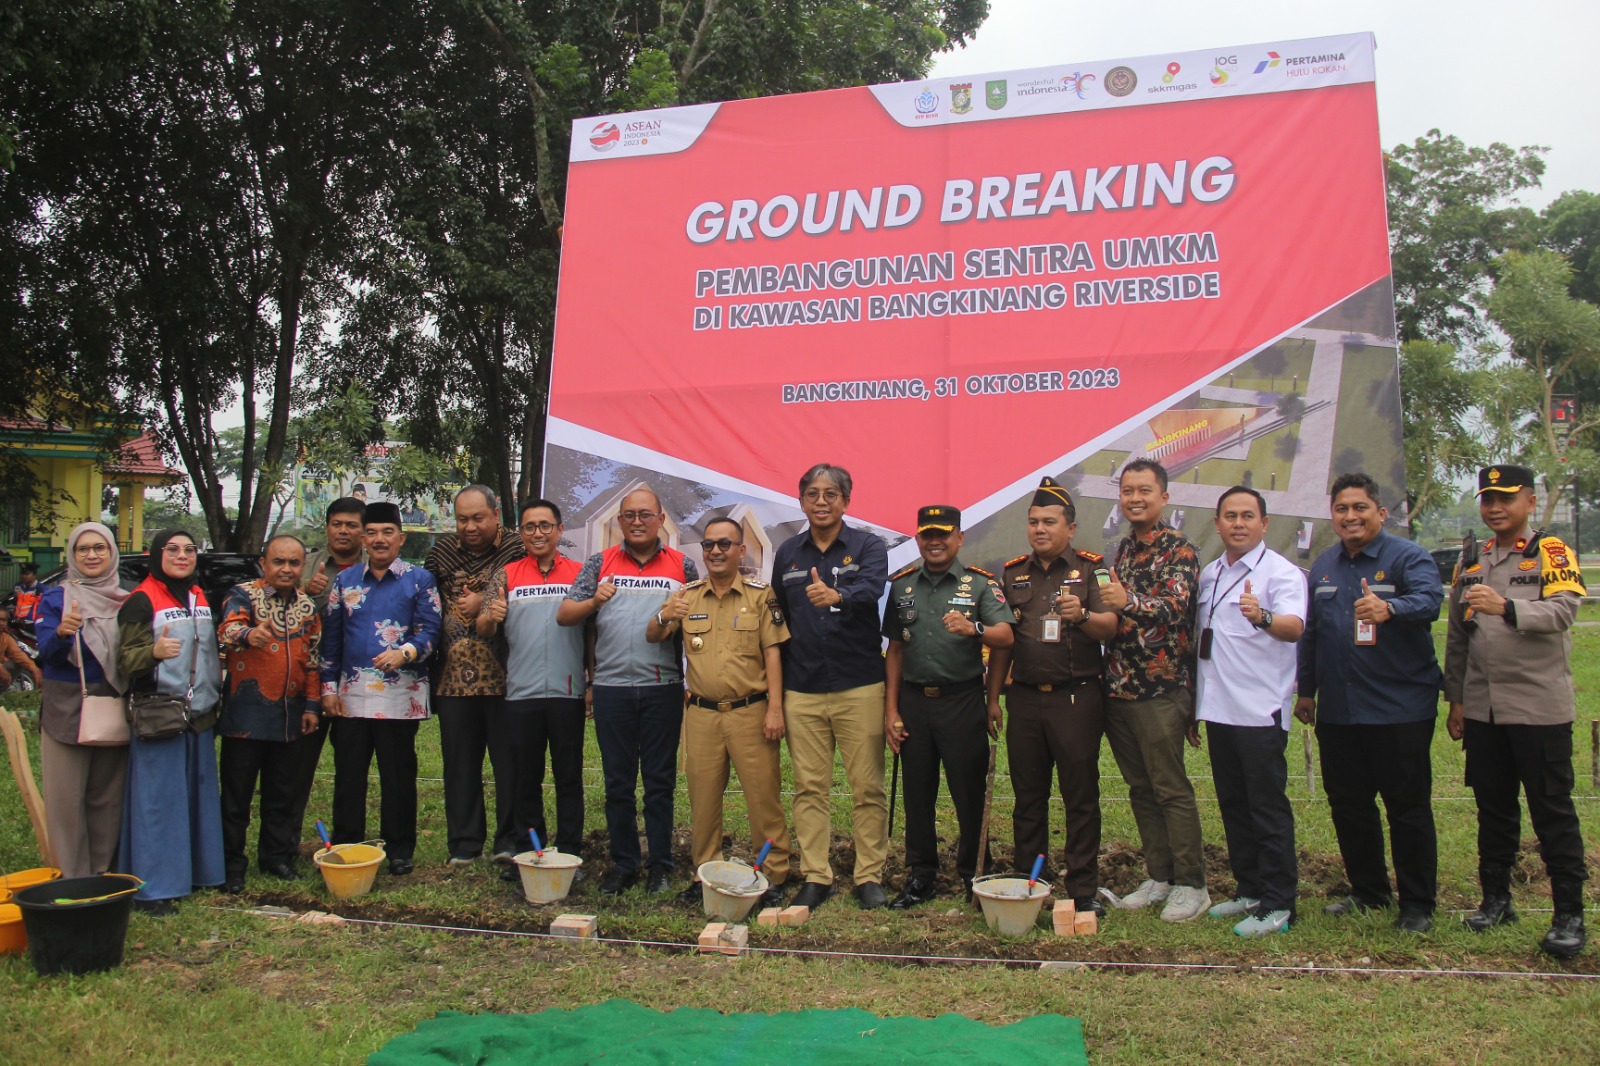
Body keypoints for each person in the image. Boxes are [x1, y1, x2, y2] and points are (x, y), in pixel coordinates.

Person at [1444, 464, 1588, 957]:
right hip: (1484, 710)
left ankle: (1569, 914)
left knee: (1552, 812)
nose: (1494, 508)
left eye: (1505, 498)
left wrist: (1506, 606)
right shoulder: (1473, 557)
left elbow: (1564, 611)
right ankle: (1496, 900)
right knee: (1494, 809)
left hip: (1537, 708)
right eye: (1487, 499)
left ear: (1529, 500)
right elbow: (1459, 636)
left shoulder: (1551, 552)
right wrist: (1457, 699)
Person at [1295, 473, 1443, 933]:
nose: (1350, 516)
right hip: (1340, 710)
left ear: (1380, 512)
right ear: (1332, 515)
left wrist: (1390, 609)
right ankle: (1368, 890)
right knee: (1349, 804)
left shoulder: (1407, 556)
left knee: (1407, 807)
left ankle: (1417, 903)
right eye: (1341, 509)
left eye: (1360, 507)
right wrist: (1306, 690)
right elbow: (1313, 634)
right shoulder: (1323, 566)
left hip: (1399, 708)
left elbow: (1432, 600)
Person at [987, 477, 1118, 916]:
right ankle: (1032, 881)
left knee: (1080, 795)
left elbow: (1110, 628)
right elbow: (1004, 642)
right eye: (1033, 522)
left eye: (1049, 521)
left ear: (1071, 528)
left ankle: (1083, 887)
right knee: (1028, 797)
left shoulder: (1091, 569)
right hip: (1024, 700)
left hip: (1076, 698)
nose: (1039, 529)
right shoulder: (1013, 572)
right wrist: (994, 699)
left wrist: (1082, 615)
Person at [559, 487, 697, 896]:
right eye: (629, 515)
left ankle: (660, 865)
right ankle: (623, 863)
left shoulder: (682, 565)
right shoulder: (599, 564)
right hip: (611, 689)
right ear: (619, 521)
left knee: (659, 783)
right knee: (618, 783)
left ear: (660, 520)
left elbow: (700, 618)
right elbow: (566, 614)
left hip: (663, 689)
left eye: (645, 514)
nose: (637, 521)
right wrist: (593, 602)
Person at [652, 517, 792, 909]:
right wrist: (667, 614)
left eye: (725, 544)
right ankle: (706, 874)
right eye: (709, 544)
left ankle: (775, 873)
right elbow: (654, 633)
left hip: (751, 711)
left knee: (763, 798)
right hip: (701, 715)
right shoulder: (687, 596)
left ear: (740, 550)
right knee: (704, 799)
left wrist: (775, 709)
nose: (715, 551)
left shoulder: (761, 596)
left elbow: (773, 652)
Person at [770, 463, 891, 910]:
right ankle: (816, 875)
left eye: (831, 494)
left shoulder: (868, 545)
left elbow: (874, 587)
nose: (821, 502)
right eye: (813, 494)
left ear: (846, 501)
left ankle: (869, 876)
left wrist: (838, 595)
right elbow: (778, 616)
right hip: (801, 688)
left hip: (858, 685)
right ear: (801, 501)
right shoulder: (787, 553)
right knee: (809, 787)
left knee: (867, 787)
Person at [883, 506, 1013, 908]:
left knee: (969, 791)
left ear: (959, 538)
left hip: (961, 701)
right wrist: (891, 711)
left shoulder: (979, 585)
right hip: (914, 702)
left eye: (943, 534)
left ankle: (976, 872)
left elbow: (1006, 635)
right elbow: (895, 651)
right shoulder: (902, 586)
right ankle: (921, 876)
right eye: (927, 535)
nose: (935, 541)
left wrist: (973, 629)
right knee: (917, 793)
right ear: (918, 539)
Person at [1193, 487, 1306, 937]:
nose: (1238, 524)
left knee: (1267, 809)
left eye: (1247, 516)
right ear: (1217, 524)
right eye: (1229, 516)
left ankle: (1280, 903)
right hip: (1219, 711)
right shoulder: (1210, 575)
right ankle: (1249, 888)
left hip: (1260, 712)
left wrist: (1262, 617)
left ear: (1264, 523)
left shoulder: (1281, 574)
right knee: (1234, 805)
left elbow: (1294, 628)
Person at [1100, 459, 1208, 922]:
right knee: (1140, 789)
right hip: (1120, 688)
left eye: (1144, 490)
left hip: (1161, 689)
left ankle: (1192, 884)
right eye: (1128, 491)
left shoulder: (1179, 551)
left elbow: (1175, 608)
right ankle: (1159, 876)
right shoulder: (1123, 550)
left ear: (1164, 497)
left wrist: (1129, 602)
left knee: (1170, 789)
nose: (1135, 498)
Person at [320, 502, 443, 876]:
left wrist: (404, 652)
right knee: (349, 773)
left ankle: (400, 848)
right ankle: (346, 843)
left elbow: (432, 631)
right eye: (371, 532)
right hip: (352, 694)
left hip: (398, 696)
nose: (379, 539)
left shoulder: (419, 579)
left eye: (387, 532)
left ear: (401, 538)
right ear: (362, 538)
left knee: (398, 773)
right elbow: (332, 641)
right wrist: (328, 689)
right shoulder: (344, 582)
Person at [116, 529, 226, 914]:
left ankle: (198, 872)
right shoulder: (141, 600)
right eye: (173, 549)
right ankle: (155, 888)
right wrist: (153, 651)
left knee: (196, 798)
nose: (182, 556)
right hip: (160, 714)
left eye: (189, 550)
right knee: (159, 804)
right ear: (157, 555)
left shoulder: (198, 596)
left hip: (199, 715)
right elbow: (126, 660)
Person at [482, 500, 591, 882]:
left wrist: (590, 680)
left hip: (567, 691)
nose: (538, 533)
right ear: (521, 532)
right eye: (530, 527)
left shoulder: (579, 574)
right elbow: (483, 626)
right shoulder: (507, 575)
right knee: (524, 778)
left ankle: (571, 855)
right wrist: (490, 619)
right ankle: (530, 851)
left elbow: (592, 631)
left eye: (546, 525)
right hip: (521, 693)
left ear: (560, 530)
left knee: (568, 776)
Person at [424, 485, 526, 868]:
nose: (469, 526)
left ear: (496, 514)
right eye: (463, 519)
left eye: (478, 518)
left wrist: (481, 600)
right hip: (452, 678)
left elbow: (529, 594)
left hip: (507, 675)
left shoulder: (517, 549)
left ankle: (509, 840)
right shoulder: (442, 554)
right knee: (459, 764)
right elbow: (426, 601)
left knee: (509, 763)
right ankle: (465, 843)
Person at [215, 535, 322, 893]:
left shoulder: (308, 607)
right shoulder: (243, 594)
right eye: (279, 562)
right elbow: (227, 630)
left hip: (290, 716)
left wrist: (311, 705)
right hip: (245, 716)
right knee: (236, 798)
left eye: (294, 563)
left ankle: (276, 857)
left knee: (282, 794)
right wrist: (248, 635)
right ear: (264, 563)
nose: (287, 569)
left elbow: (313, 661)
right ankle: (231, 865)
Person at [33, 523, 130, 879]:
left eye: (99, 548)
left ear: (111, 553)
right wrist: (61, 633)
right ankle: (74, 878)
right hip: (67, 711)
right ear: (72, 555)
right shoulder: (56, 598)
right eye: (83, 549)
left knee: (107, 799)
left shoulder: (126, 599)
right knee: (66, 801)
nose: (91, 555)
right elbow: (45, 653)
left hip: (113, 707)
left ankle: (101, 876)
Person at [288, 497, 366, 856]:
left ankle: (349, 843)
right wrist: (306, 593)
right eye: (338, 524)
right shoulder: (307, 565)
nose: (344, 531)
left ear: (364, 531)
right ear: (328, 527)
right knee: (295, 768)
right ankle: (284, 844)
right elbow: (281, 614)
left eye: (352, 525)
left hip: (355, 684)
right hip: (309, 682)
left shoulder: (375, 566)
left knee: (350, 768)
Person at [0, 604, 43, 691]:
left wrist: (34, 669)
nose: (1, 623)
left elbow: (18, 655)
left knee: (18, 663)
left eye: (3, 620)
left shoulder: (5, 638)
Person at [12, 562, 42, 628]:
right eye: (22, 574)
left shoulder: (41, 589)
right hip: (17, 622)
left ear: (34, 575)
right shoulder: (18, 586)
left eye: (27, 574)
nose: (23, 576)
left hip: (32, 624)